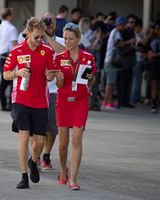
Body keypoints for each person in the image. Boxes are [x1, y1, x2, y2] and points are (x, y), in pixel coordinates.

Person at [3, 17, 56, 189]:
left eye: (42, 37)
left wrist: (51, 75)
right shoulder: (16, 51)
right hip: (21, 100)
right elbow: (6, 74)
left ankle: (34, 162)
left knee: (40, 142)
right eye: (36, 37)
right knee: (24, 137)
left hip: (40, 101)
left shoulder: (47, 51)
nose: (39, 40)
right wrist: (17, 72)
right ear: (28, 33)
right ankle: (24, 176)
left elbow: (49, 74)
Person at [55, 22, 97, 190]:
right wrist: (58, 77)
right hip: (63, 101)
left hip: (80, 101)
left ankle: (73, 178)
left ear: (78, 39)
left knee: (77, 139)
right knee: (63, 143)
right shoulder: (59, 58)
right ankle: (62, 168)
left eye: (71, 39)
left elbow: (91, 80)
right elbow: (58, 85)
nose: (67, 42)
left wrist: (90, 81)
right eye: (65, 39)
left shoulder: (88, 57)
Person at [40, 11, 65, 170]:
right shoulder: (34, 40)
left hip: (55, 90)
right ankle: (34, 156)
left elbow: (64, 52)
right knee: (35, 129)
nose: (50, 24)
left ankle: (46, 156)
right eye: (46, 21)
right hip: (38, 90)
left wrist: (47, 37)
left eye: (52, 21)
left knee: (52, 129)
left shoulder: (61, 41)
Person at [0, 8, 18, 111]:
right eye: (12, 14)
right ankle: (10, 104)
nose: (13, 16)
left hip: (1, 56)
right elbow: (15, 45)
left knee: (4, 81)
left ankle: (2, 104)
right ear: (8, 16)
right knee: (12, 80)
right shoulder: (11, 28)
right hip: (9, 55)